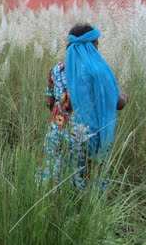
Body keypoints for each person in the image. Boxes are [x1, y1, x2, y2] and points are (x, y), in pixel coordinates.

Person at [37, 23, 128, 190]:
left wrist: (62, 113)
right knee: (88, 180)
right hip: (87, 135)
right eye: (97, 43)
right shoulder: (99, 72)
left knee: (55, 176)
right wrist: (124, 96)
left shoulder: (56, 70)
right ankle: (85, 212)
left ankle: (55, 209)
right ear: (92, 46)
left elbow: (49, 103)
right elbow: (119, 103)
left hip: (57, 132)